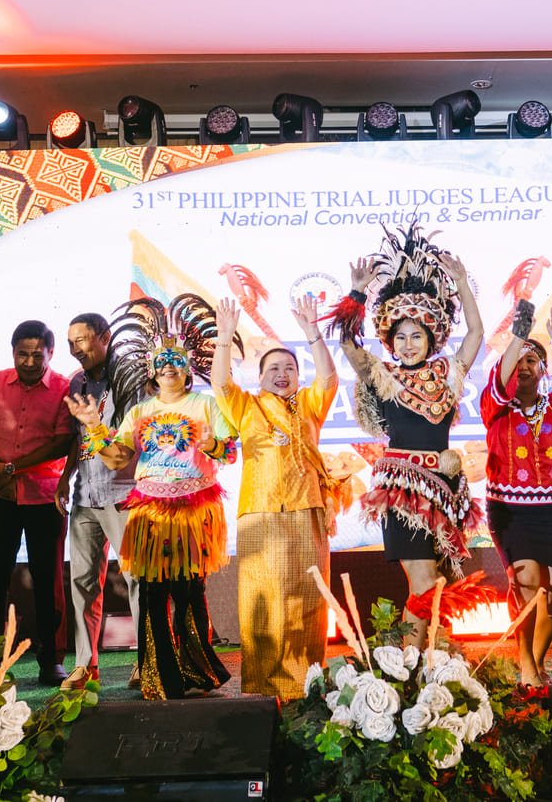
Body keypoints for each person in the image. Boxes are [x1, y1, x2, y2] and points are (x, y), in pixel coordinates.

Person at [65, 294, 239, 700]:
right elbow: (117, 458)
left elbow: (230, 452)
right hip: (149, 514)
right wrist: (94, 426)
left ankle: (196, 671)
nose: (168, 367)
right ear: (151, 369)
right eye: (161, 362)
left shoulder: (206, 405)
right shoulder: (139, 412)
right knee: (153, 594)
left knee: (189, 592)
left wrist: (212, 444)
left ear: (187, 367)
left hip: (192, 512)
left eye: (176, 360)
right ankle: (159, 676)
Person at [325, 222, 484, 648]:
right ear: (391, 342)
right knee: (425, 580)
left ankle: (428, 658)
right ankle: (413, 661)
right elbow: (347, 342)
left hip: (445, 490)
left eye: (417, 336)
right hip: (402, 491)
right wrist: (357, 293)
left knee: (437, 581)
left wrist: (462, 283)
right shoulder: (383, 375)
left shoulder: (447, 373)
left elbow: (476, 334)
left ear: (430, 338)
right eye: (401, 337)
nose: (409, 344)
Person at [212, 294, 342, 699]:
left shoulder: (310, 404)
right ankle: (261, 688)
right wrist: (223, 337)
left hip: (307, 509)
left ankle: (308, 684)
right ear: (260, 376)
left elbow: (329, 379)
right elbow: (220, 383)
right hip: (260, 512)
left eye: (289, 368)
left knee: (308, 598)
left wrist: (313, 333)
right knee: (262, 599)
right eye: (273, 368)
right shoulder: (245, 406)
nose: (282, 374)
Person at [482, 301, 552, 688]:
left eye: (533, 360)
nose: (525, 366)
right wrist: (518, 337)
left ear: (544, 370)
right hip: (510, 512)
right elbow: (500, 380)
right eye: (519, 361)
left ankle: (538, 661)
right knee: (527, 582)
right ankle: (526, 663)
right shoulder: (495, 407)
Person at [0, 320, 73, 686]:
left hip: (44, 495)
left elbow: (62, 443)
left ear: (50, 353)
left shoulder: (63, 389)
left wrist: (12, 469)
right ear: (12, 352)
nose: (29, 362)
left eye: (36, 355)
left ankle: (51, 660)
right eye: (22, 354)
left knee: (48, 579)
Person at [57, 312, 143, 692]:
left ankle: (147, 660)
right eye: (70, 342)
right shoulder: (77, 382)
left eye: (82, 340)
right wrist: (65, 478)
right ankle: (84, 665)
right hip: (85, 495)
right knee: (82, 582)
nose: (75, 349)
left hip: (123, 492)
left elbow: (130, 441)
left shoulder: (129, 378)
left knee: (137, 579)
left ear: (105, 337)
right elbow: (78, 439)